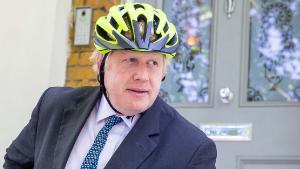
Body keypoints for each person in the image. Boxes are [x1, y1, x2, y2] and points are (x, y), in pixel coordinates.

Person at [4, 2, 217, 169]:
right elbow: (16, 163)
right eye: (130, 60)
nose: (142, 76)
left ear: (163, 71)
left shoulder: (191, 148)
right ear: (101, 64)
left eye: (153, 63)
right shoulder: (53, 105)